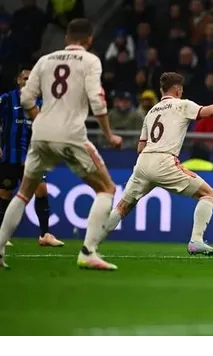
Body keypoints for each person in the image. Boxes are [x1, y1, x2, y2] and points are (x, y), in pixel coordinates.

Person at [0, 19, 123, 270]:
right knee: (107, 189)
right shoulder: (90, 61)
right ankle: (88, 252)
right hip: (70, 133)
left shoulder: (45, 60)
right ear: (89, 39)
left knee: (23, 193)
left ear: (66, 38)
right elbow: (98, 102)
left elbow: (26, 98)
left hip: (41, 133)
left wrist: (39, 119)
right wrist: (109, 135)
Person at [98, 73, 213, 256]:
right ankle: (196, 241)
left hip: (143, 161)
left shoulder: (151, 112)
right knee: (208, 194)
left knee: (122, 207)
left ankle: (91, 244)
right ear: (177, 89)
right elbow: (208, 111)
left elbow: (140, 147)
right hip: (164, 161)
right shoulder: (182, 105)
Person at [0, 66, 64, 248]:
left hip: (32, 157)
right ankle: (2, 235)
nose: (28, 82)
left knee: (41, 190)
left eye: (32, 79)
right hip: (10, 156)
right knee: (4, 194)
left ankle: (45, 235)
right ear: (18, 80)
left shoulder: (40, 104)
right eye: (25, 78)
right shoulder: (7, 99)